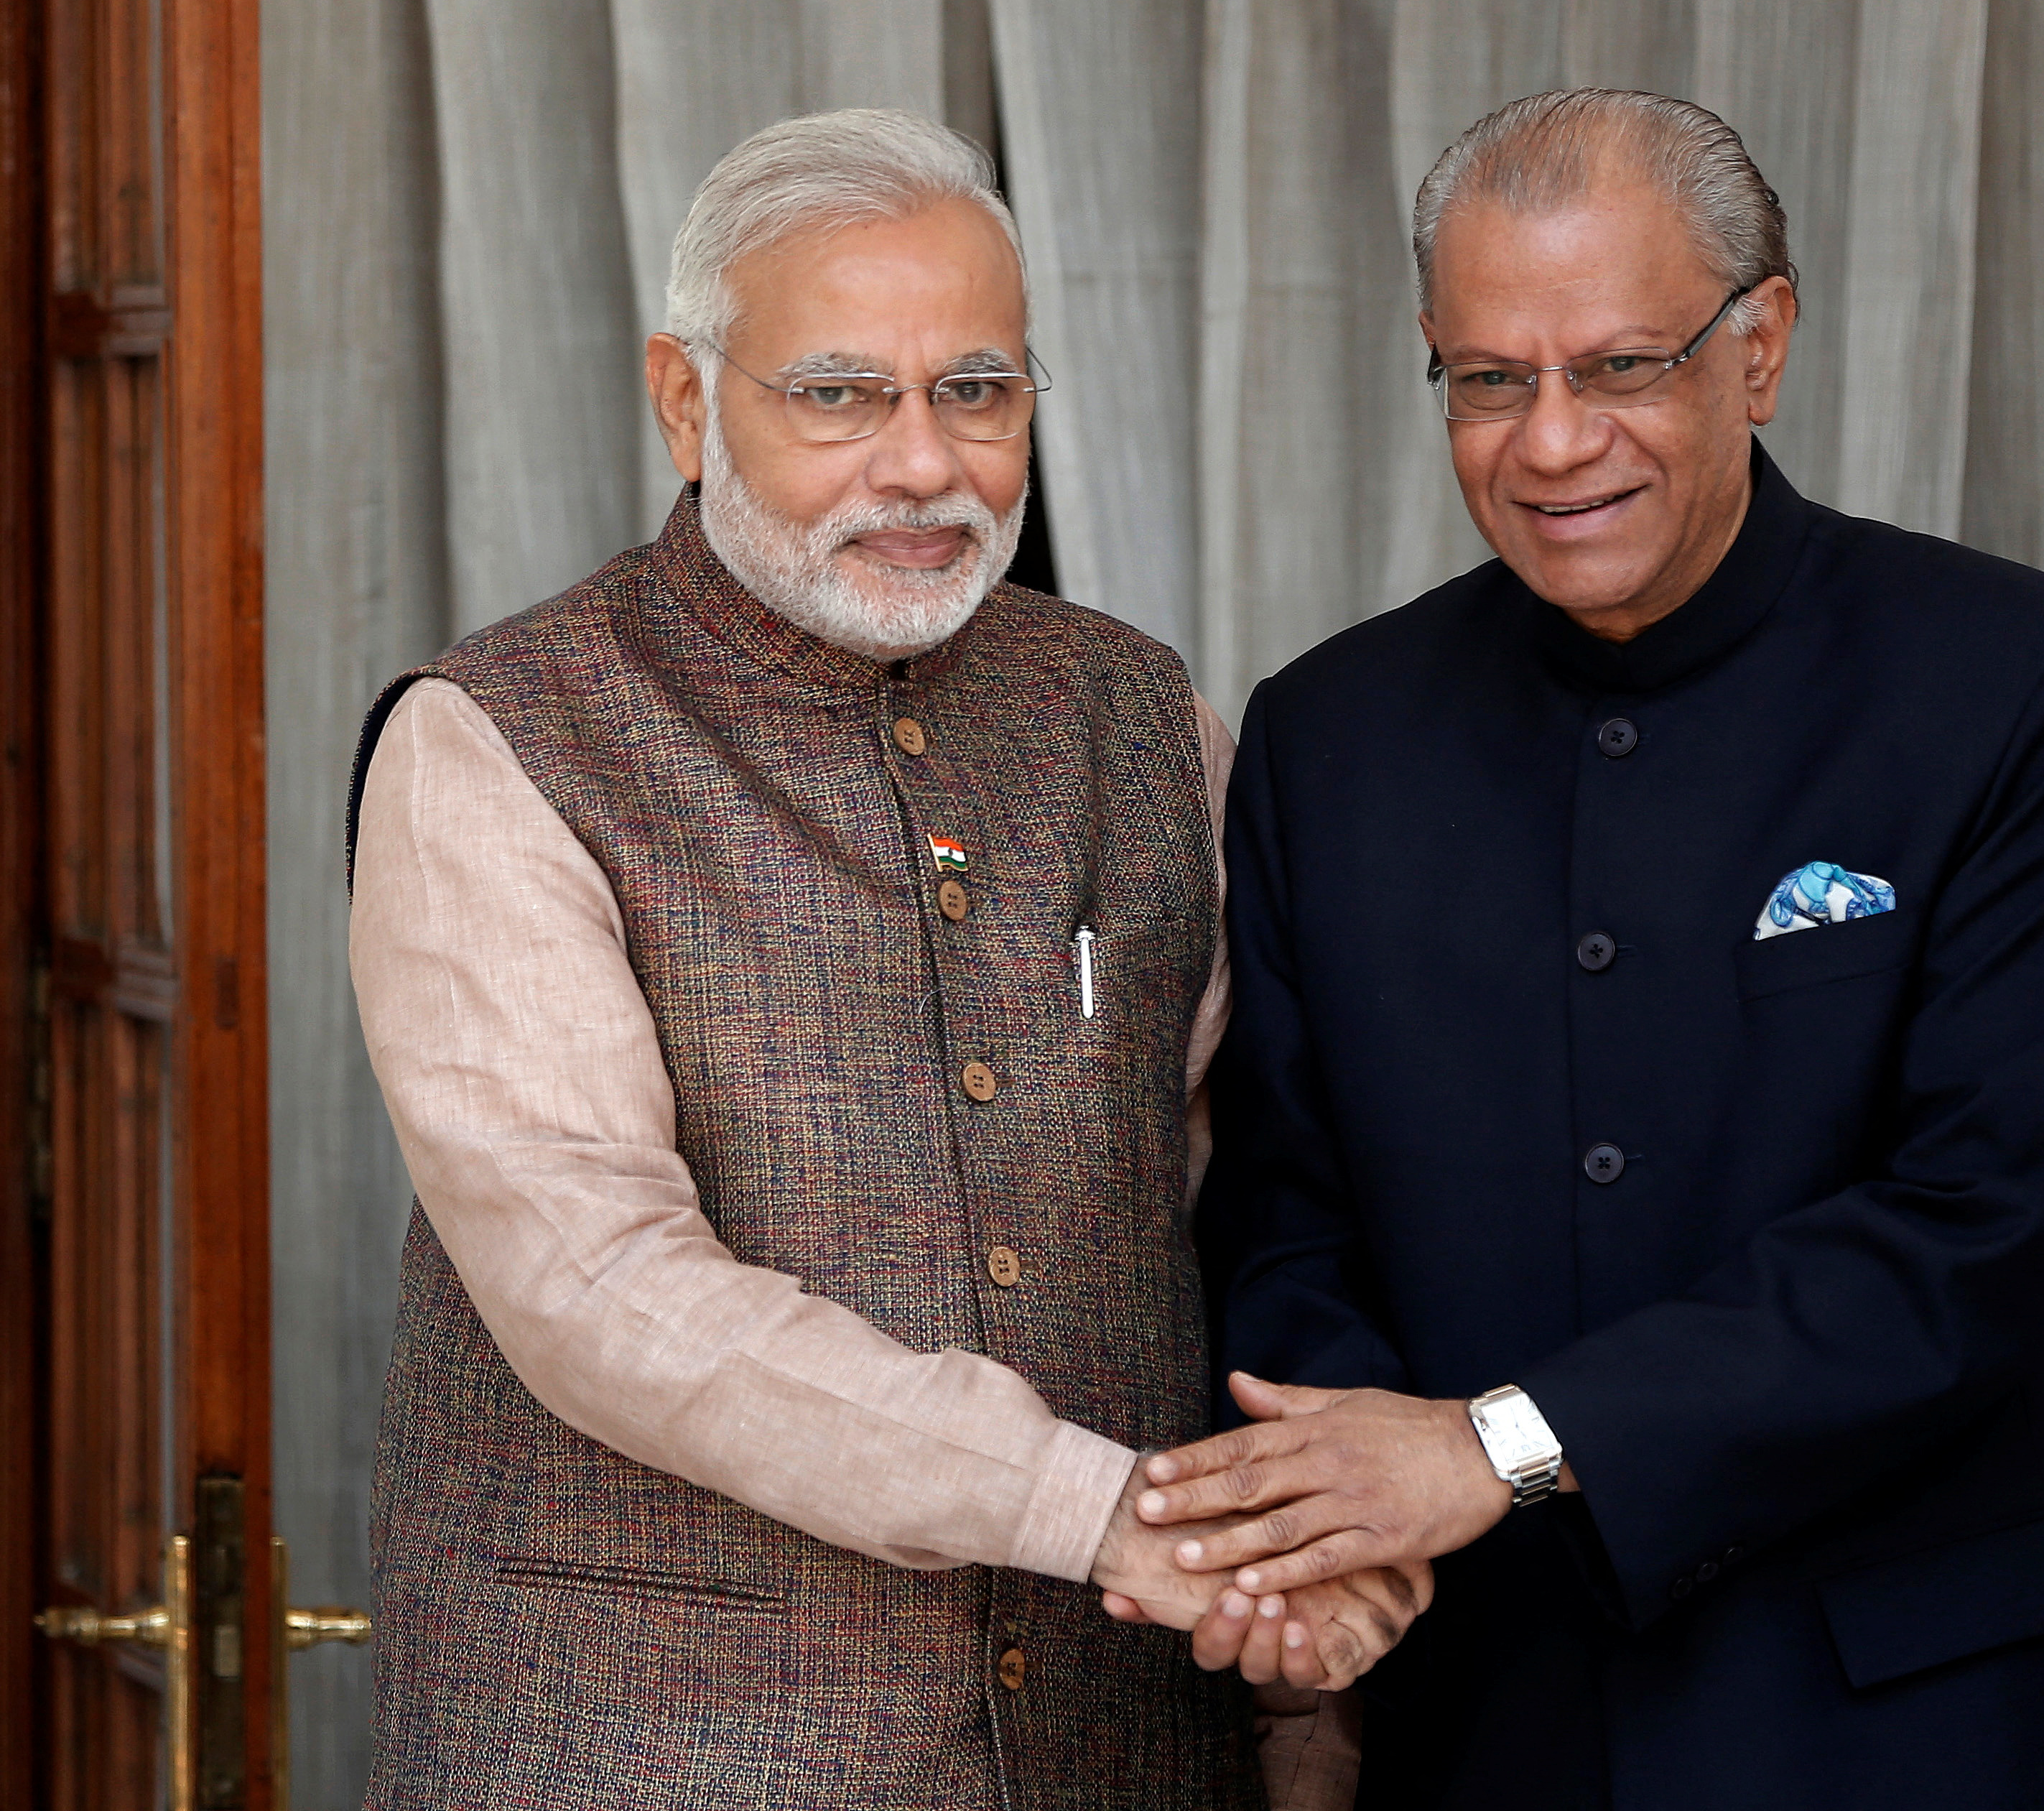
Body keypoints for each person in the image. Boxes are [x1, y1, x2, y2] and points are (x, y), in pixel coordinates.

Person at [346, 108, 1413, 1809]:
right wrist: (1101, 1512)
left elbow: (1258, 1194)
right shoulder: (500, 742)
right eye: (838, 394)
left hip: (1119, 1737)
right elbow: (595, 1287)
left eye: (976, 392)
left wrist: (1303, 1631)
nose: (924, 465)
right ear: (688, 402)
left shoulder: (1134, 713)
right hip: (652, 1749)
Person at [1138, 88, 2044, 1808]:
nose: (1552, 443)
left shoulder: (2025, 688)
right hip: (1487, 1723)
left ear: (1758, 347)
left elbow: (1979, 1225)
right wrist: (1332, 1520)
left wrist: (1493, 1448)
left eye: (1621, 366)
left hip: (1919, 1728)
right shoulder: (1331, 736)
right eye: (1491, 378)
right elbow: (1285, 1204)